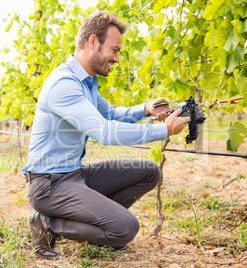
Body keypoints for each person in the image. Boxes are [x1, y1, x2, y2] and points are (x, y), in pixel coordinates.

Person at [22, 11, 190, 260]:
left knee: (149, 172)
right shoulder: (64, 84)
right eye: (114, 50)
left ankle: (95, 219)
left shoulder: (86, 82)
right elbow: (104, 130)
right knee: (125, 229)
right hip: (49, 186)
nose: (118, 58)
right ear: (92, 42)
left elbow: (110, 114)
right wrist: (163, 131)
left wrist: (145, 110)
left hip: (73, 175)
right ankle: (47, 223)